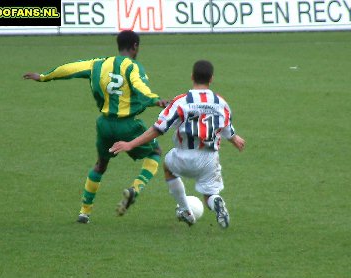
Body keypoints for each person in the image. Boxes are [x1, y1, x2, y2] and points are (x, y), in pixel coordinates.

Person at [23, 30, 167, 224]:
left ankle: (84, 212)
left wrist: (43, 77)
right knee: (155, 151)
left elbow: (70, 69)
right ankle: (135, 188)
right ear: (135, 47)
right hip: (128, 124)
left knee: (101, 164)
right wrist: (156, 100)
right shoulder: (133, 67)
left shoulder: (98, 64)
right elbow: (139, 85)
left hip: (105, 125)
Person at [110, 60, 245, 228]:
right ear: (211, 79)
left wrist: (130, 144)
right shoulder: (220, 102)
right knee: (210, 194)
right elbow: (225, 125)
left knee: (168, 166)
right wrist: (235, 139)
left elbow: (158, 128)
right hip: (210, 159)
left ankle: (185, 210)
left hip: (183, 156)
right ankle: (216, 201)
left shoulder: (182, 101)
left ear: (191, 77)